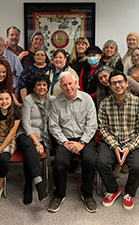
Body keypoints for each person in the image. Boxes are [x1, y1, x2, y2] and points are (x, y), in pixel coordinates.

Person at [96, 71, 139, 211]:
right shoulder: (104, 104)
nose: (118, 85)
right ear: (110, 85)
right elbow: (102, 128)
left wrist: (129, 148)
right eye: (114, 83)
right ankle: (113, 189)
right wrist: (114, 146)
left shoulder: (138, 104)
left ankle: (129, 192)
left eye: (120, 82)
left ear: (126, 83)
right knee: (100, 162)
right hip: (111, 142)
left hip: (133, 143)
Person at [48, 72, 98, 213]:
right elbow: (53, 126)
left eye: (70, 83)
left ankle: (87, 193)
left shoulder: (87, 99)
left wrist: (81, 142)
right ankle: (59, 194)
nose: (68, 87)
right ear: (61, 87)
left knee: (90, 160)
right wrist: (65, 142)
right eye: (64, 85)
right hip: (66, 140)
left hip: (85, 139)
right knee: (59, 163)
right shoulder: (57, 102)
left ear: (75, 82)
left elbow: (92, 124)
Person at [16, 74, 53, 205]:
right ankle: (37, 182)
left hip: (42, 136)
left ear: (48, 87)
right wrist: (36, 142)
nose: (42, 87)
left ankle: (29, 184)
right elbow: (25, 124)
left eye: (44, 85)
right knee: (30, 147)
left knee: (30, 153)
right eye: (39, 85)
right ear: (34, 87)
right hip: (25, 134)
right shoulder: (28, 100)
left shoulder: (52, 100)